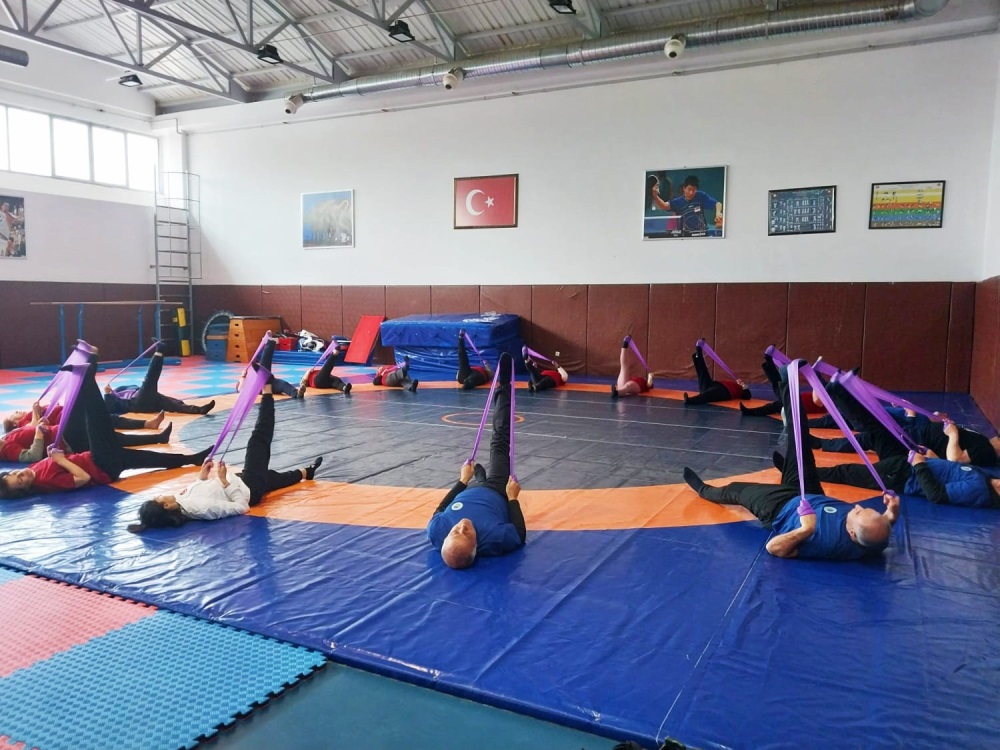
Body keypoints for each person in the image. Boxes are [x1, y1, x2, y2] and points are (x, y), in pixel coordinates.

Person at [682, 363, 899, 560]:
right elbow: (879, 531)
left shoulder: (826, 542)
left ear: (851, 534)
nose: (858, 506)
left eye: (859, 512)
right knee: (801, 441)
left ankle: (703, 489)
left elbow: (774, 548)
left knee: (735, 490)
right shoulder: (875, 539)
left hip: (779, 507)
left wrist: (805, 529)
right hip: (811, 494)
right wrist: (891, 513)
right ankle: (786, 382)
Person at [128, 341, 323, 531]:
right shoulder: (201, 509)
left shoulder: (181, 503)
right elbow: (241, 507)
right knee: (258, 439)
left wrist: (203, 476)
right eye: (158, 499)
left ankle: (306, 472)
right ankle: (267, 389)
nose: (160, 496)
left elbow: (202, 491)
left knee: (272, 478)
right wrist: (223, 480)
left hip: (241, 481)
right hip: (248, 488)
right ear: (167, 506)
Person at [0, 356, 209, 499]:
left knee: (151, 459)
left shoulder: (35, 470)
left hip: (103, 463)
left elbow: (55, 461)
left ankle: (192, 459)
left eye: (15, 474)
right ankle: (87, 376)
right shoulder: (46, 482)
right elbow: (83, 478)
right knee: (96, 418)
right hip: (100, 463)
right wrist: (61, 459)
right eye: (20, 481)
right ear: (25, 489)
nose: (21, 475)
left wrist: (54, 454)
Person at [806, 377, 1000, 508]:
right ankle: (837, 392)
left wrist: (920, 465)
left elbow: (937, 495)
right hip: (909, 459)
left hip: (902, 475)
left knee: (846, 472)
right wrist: (931, 457)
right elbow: (949, 470)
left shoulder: (980, 489)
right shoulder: (986, 477)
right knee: (876, 429)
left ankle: (803, 473)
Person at [426, 353, 525, 569]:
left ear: (446, 536)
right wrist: (512, 498)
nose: (462, 526)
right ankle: (504, 386)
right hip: (498, 490)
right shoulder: (495, 538)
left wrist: (462, 481)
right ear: (476, 545)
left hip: (470, 490)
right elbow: (519, 534)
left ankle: (478, 478)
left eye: (456, 531)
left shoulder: (436, 530)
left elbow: (442, 507)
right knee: (499, 442)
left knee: (476, 478)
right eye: (467, 534)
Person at [103, 343, 215, 415]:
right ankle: (159, 352)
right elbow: (109, 409)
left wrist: (110, 392)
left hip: (150, 399)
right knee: (150, 379)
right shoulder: (110, 400)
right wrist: (107, 394)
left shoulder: (118, 389)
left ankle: (199, 410)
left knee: (173, 403)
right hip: (137, 403)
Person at [738, 351, 828, 420]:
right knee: (777, 391)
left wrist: (816, 374)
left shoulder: (823, 403)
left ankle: (769, 362)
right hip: (795, 400)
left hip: (795, 404)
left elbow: (817, 398)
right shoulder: (824, 398)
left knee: (776, 400)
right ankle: (769, 363)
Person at [683, 342, 751, 406]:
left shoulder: (741, 390)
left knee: (708, 395)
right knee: (703, 374)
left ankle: (690, 400)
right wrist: (742, 385)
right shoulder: (736, 386)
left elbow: (748, 396)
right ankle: (698, 353)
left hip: (724, 392)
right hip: (714, 385)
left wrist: (743, 385)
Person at [651, 174, 723, 235]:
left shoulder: (700, 196)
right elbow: (664, 205)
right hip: (685, 236)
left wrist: (718, 213)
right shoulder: (677, 202)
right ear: (684, 188)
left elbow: (718, 204)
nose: (691, 193)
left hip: (702, 234)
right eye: (689, 189)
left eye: (694, 190)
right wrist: (655, 196)